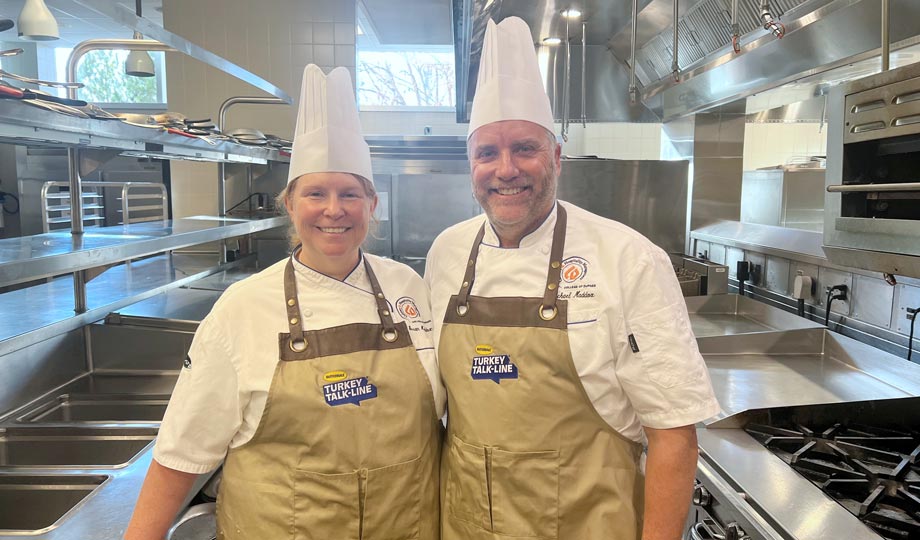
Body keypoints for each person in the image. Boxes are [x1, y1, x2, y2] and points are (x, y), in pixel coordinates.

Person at [425, 17, 720, 540]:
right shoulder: (447, 253)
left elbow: (674, 432)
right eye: (487, 153)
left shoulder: (628, 259)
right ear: (469, 165)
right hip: (469, 525)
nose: (506, 168)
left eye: (525, 148)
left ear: (557, 158)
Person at [125, 65, 444, 540]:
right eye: (316, 192)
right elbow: (182, 452)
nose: (334, 209)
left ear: (371, 205)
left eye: (350, 194)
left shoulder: (409, 289)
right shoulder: (243, 308)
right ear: (290, 204)